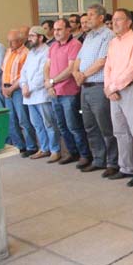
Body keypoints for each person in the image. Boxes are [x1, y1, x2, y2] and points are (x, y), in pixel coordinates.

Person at [104, 9, 133, 187]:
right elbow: (108, 67)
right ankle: (126, 167)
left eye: (119, 19)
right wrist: (108, 88)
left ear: (129, 22)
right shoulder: (113, 42)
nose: (114, 23)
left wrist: (113, 87)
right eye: (113, 20)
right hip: (113, 92)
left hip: (130, 88)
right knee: (120, 131)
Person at [73, 4, 119, 178]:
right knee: (90, 126)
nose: (88, 18)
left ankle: (113, 162)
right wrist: (76, 73)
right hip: (85, 86)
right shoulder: (88, 36)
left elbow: (101, 61)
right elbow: (78, 59)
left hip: (98, 86)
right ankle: (99, 159)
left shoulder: (108, 35)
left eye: (92, 15)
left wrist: (83, 75)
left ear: (101, 17)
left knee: (105, 126)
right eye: (87, 14)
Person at [44, 19, 92, 168]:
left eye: (59, 29)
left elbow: (71, 69)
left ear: (68, 30)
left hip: (69, 92)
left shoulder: (75, 45)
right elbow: (47, 66)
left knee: (74, 126)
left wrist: (52, 81)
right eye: (55, 29)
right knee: (62, 126)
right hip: (55, 92)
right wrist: (48, 83)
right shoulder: (53, 46)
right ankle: (72, 152)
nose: (56, 32)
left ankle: (84, 154)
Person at [20, 26, 61, 162]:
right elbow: (23, 71)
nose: (29, 38)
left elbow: (42, 73)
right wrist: (24, 85)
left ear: (41, 37)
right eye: (29, 36)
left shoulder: (47, 51)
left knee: (49, 124)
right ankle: (44, 148)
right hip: (29, 95)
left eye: (32, 36)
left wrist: (29, 88)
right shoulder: (30, 52)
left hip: (41, 94)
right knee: (37, 124)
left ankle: (55, 150)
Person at [1, 29, 37, 157]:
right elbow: (4, 71)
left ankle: (31, 146)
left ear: (21, 40)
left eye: (13, 41)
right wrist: (3, 87)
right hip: (6, 88)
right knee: (11, 119)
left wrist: (11, 89)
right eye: (8, 41)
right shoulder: (8, 52)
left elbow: (24, 75)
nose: (10, 44)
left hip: (18, 89)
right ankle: (19, 145)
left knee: (23, 119)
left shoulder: (26, 53)